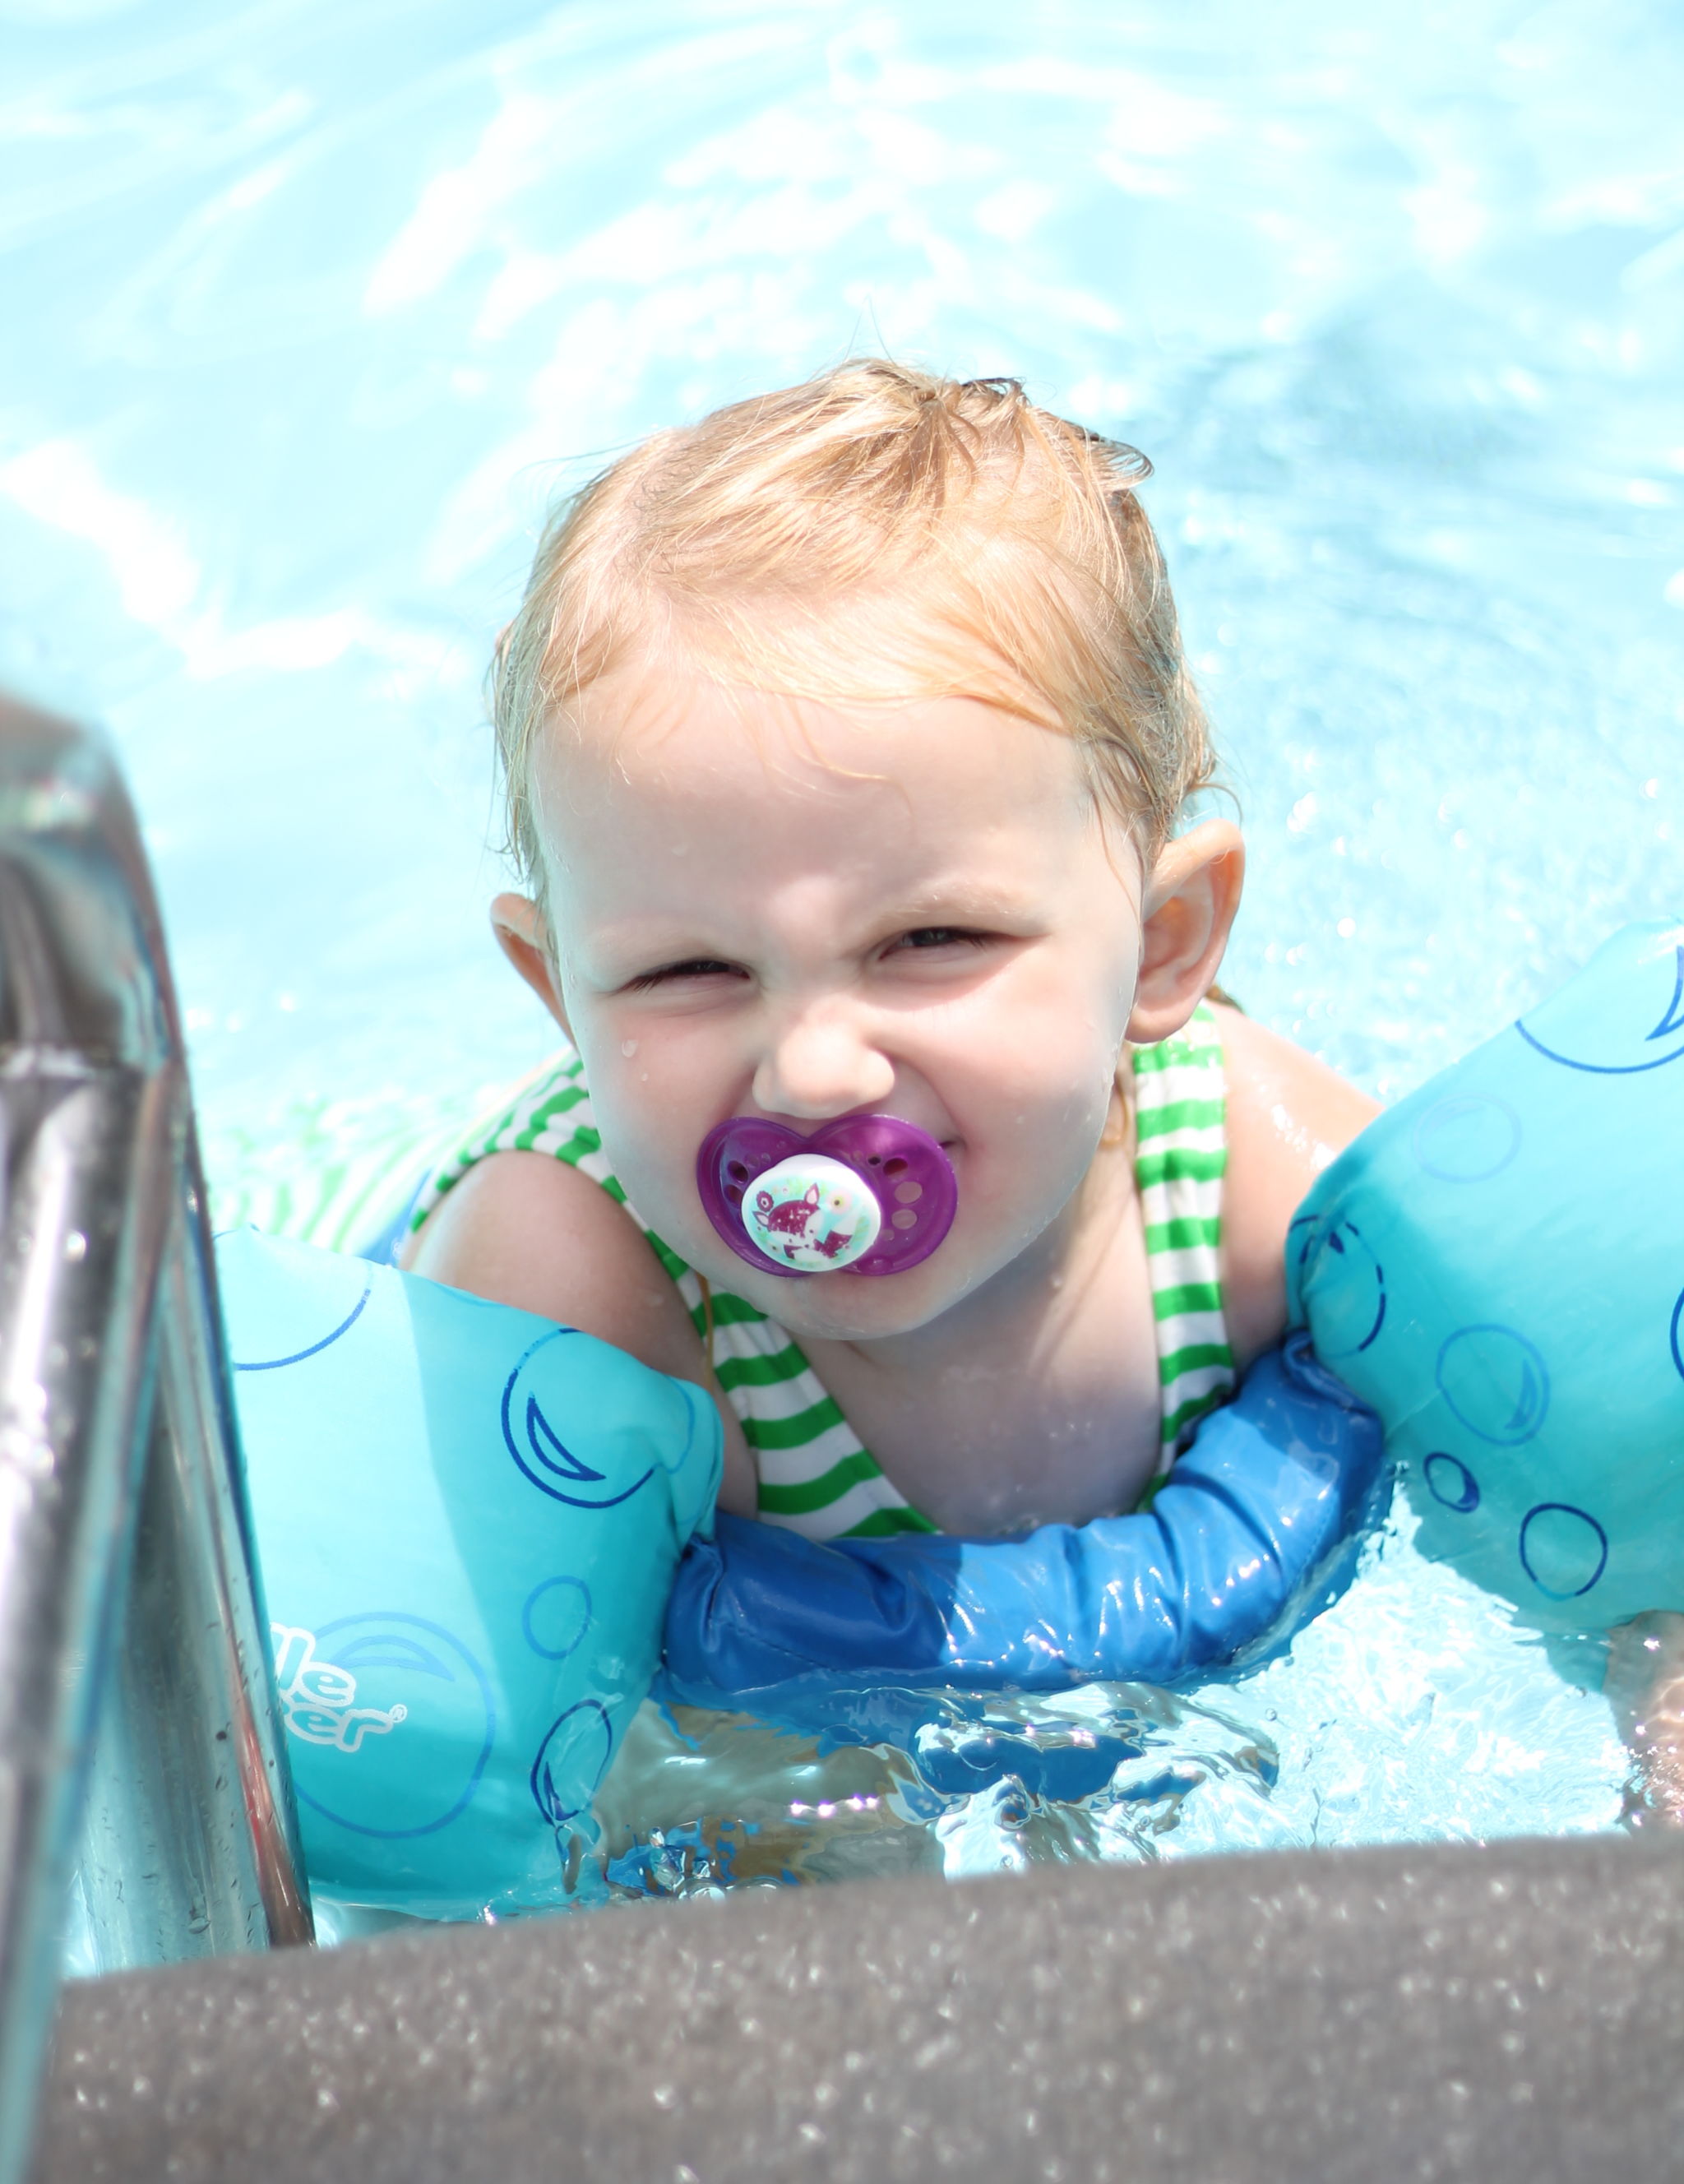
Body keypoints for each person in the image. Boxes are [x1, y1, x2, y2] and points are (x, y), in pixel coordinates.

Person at [402, 361, 1376, 1540]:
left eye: (930, 940)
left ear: (1163, 942)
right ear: (561, 994)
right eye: (688, 971)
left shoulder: (1259, 1186)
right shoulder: (566, 1287)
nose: (814, 1075)